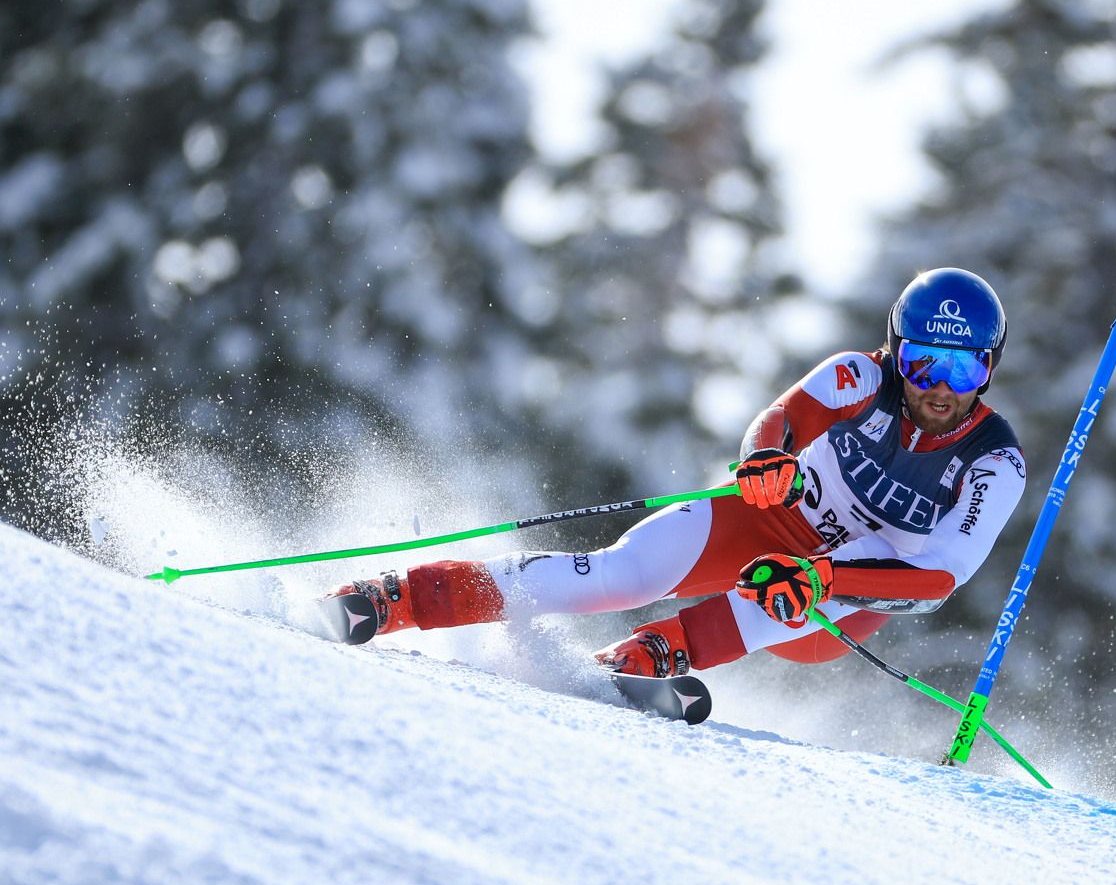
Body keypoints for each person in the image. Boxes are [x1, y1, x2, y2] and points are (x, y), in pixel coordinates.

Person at [324, 268, 1027, 678]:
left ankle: (656, 654)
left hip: (846, 589)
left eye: (964, 367)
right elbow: (778, 421)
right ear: (896, 352)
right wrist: (764, 463)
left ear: (990, 367)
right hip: (769, 520)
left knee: (822, 574)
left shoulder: (994, 462)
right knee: (620, 574)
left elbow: (938, 578)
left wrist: (823, 577)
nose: (941, 386)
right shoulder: (856, 375)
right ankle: (403, 597)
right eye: (923, 362)